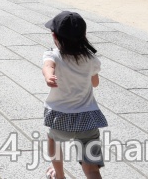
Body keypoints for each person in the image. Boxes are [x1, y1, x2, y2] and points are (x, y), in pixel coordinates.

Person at [42, 11, 107, 179]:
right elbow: (95, 83)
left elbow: (48, 66)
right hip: (88, 119)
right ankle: (92, 173)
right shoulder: (91, 58)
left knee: (53, 141)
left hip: (60, 118)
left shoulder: (53, 55)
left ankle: (59, 173)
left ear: (55, 36)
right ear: (84, 35)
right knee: (91, 167)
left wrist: (49, 76)